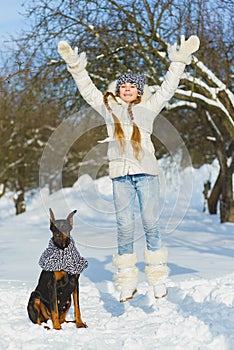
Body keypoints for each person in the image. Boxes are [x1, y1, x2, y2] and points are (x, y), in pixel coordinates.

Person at [58, 35, 200, 302]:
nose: (126, 89)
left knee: (150, 224)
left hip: (146, 174)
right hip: (120, 177)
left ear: (140, 91)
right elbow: (88, 90)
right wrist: (76, 67)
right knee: (124, 227)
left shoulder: (149, 107)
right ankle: (127, 282)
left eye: (132, 86)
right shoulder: (109, 109)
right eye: (122, 86)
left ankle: (157, 279)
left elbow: (169, 86)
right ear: (117, 90)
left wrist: (179, 61)